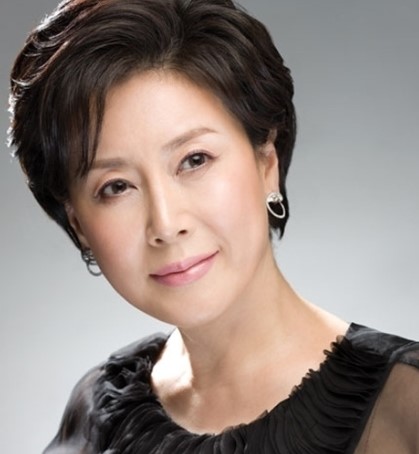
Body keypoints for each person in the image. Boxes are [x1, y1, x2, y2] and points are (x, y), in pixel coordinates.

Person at [8, 0, 419, 452]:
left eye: (194, 160)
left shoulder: (406, 406)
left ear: (266, 162)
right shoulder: (98, 413)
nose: (166, 225)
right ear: (78, 224)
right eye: (117, 187)